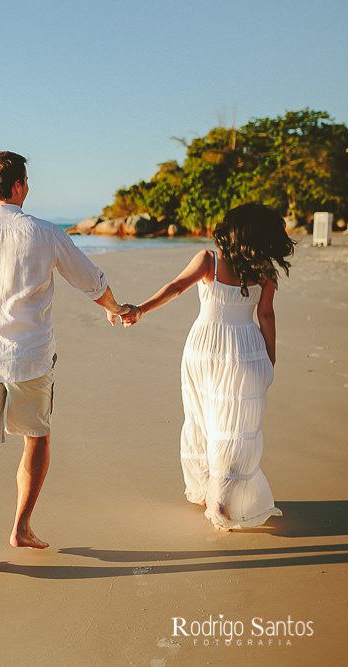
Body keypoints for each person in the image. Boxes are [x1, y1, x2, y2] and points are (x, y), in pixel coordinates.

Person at [0, 151, 128, 570]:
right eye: (26, 180)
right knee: (36, 438)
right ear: (19, 186)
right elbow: (88, 278)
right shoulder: (44, 232)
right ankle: (21, 526)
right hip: (30, 358)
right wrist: (115, 308)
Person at [121, 203, 294, 531]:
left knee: (203, 417)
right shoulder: (265, 272)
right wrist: (269, 358)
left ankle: (210, 492)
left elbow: (175, 288)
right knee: (235, 427)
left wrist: (141, 309)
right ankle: (220, 495)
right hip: (246, 350)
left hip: (205, 348)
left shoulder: (209, 260)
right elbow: (266, 315)